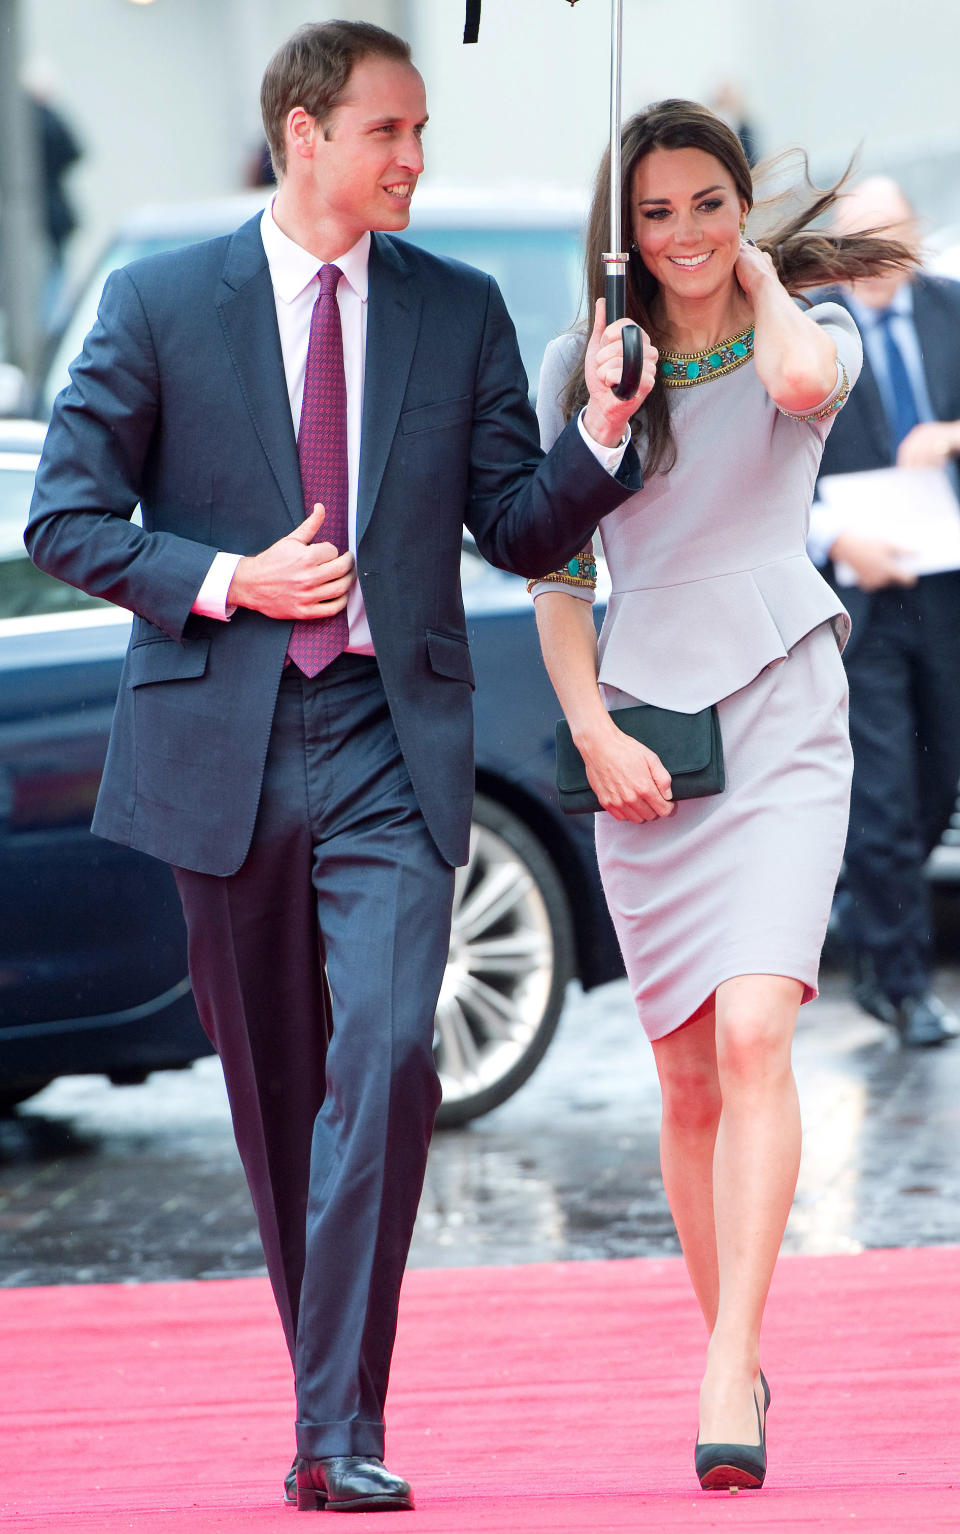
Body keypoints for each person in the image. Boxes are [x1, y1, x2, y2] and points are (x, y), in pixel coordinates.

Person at [24, 21, 644, 1515]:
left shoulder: (459, 305)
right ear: (306, 133)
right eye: (391, 131)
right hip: (218, 745)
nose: (416, 157)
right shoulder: (163, 300)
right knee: (280, 1091)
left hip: (387, 737)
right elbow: (66, 515)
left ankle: (336, 1426)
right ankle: (329, 1412)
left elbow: (515, 524)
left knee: (389, 1057)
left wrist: (602, 435)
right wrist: (231, 576)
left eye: (420, 130)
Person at [529, 101, 909, 1491]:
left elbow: (803, 388)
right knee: (687, 1079)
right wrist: (591, 726)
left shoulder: (811, 326)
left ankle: (721, 1359)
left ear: (741, 206)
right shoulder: (584, 359)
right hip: (647, 733)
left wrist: (754, 277)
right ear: (620, 227)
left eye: (709, 203)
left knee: (760, 1033)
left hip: (790, 709)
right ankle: (733, 1350)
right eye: (657, 212)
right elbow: (556, 577)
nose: (683, 232)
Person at [808, 177, 960, 1049]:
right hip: (856, 594)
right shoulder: (815, 328)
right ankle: (900, 982)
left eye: (891, 234)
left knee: (939, 778)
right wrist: (835, 537)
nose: (877, 255)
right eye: (859, 238)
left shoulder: (947, 311)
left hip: (943, 586)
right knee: (886, 791)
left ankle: (872, 919)